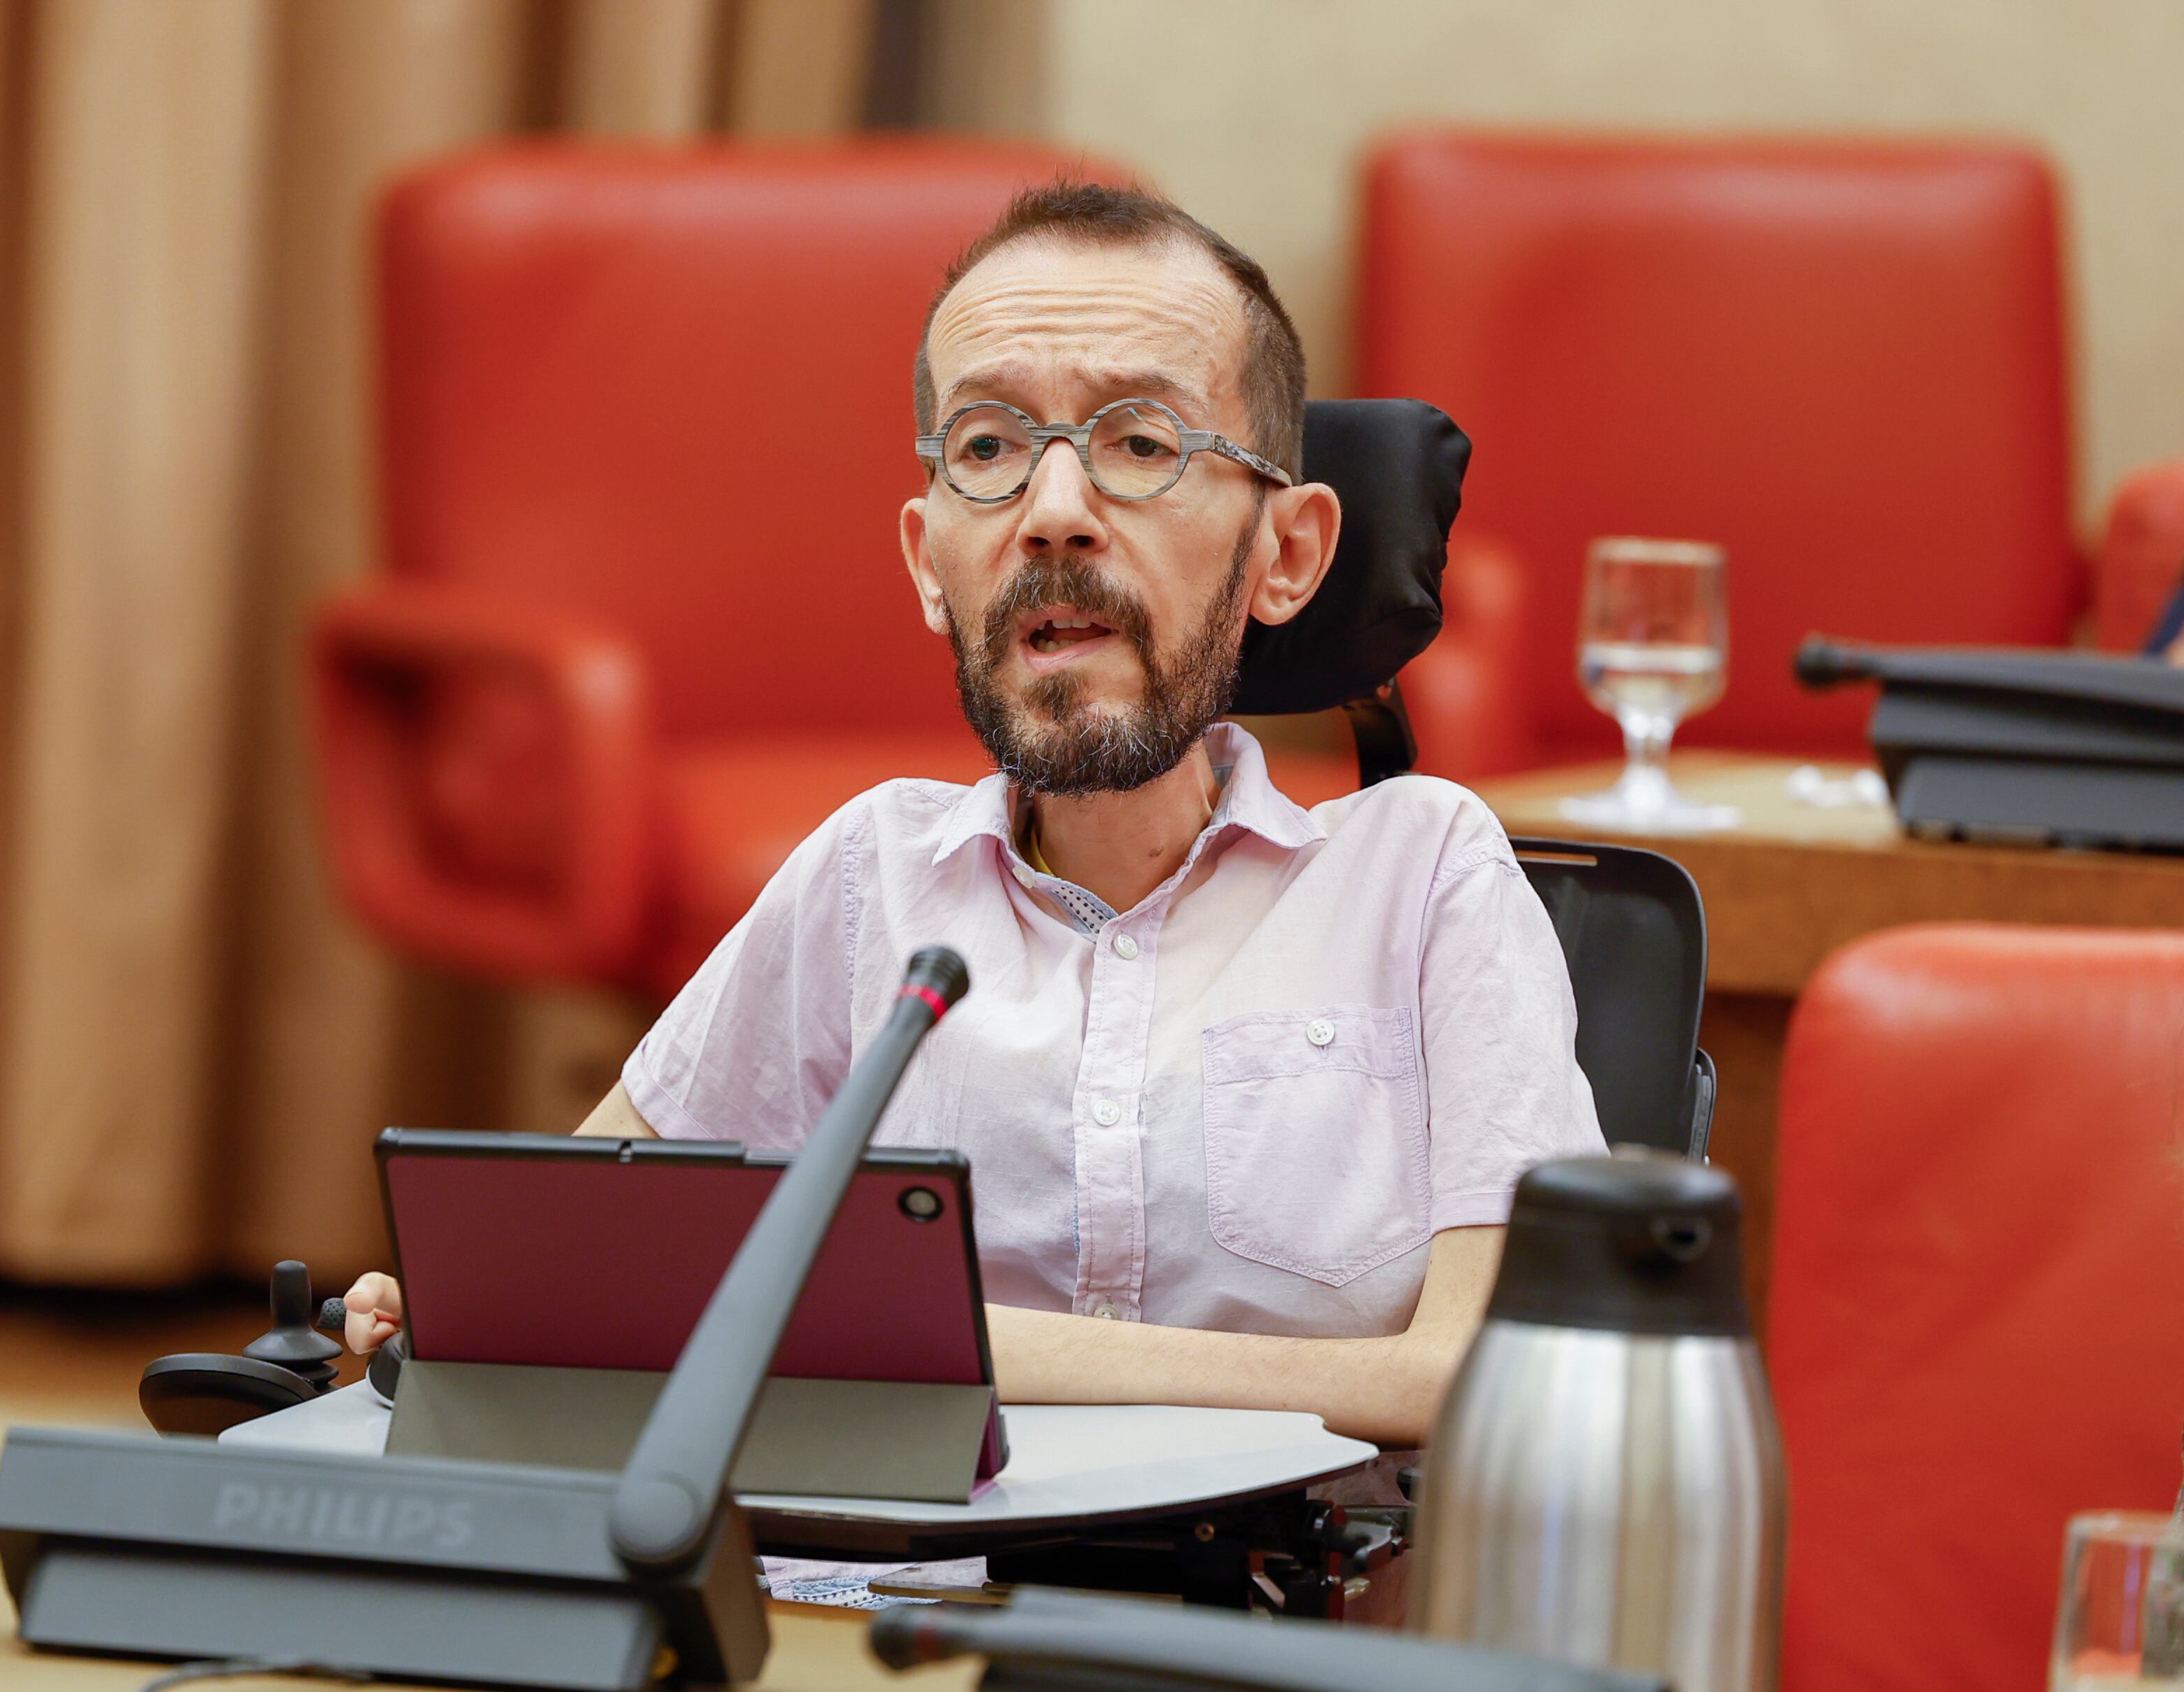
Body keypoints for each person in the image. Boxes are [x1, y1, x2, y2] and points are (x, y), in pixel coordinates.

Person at [342, 181, 1604, 1448]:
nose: (1053, 510)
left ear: (1286, 554)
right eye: (989, 449)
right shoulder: (867, 876)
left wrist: (949, 1345)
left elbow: (1479, 1379)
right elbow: (580, 1267)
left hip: (1273, 1617)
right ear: (927, 561)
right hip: (878, 1615)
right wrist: (463, 1311)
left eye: (1141, 443)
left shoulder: (1425, 871)